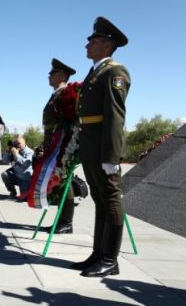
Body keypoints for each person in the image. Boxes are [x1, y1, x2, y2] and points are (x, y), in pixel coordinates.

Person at [73, 16, 131, 277]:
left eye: (93, 41)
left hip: (103, 148)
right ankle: (98, 253)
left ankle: (110, 259)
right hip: (90, 145)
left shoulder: (114, 72)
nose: (87, 45)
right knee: (99, 200)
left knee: (111, 199)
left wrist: (111, 155)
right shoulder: (96, 71)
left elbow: (115, 116)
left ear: (106, 45)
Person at [37, 58, 78, 234]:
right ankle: (62, 220)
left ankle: (66, 221)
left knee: (63, 182)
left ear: (61, 75)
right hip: (53, 144)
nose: (49, 76)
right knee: (59, 182)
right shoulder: (56, 94)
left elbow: (69, 121)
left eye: (52, 73)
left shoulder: (66, 94)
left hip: (63, 145)